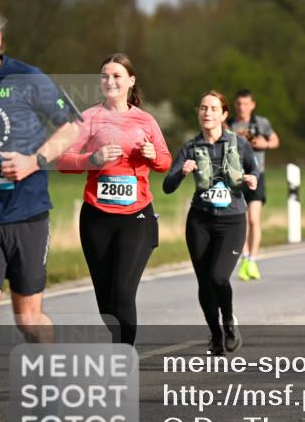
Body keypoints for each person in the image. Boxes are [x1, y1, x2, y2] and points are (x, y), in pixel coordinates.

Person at [0, 0, 80, 422]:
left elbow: (73, 125)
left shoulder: (25, 78)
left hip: (28, 214)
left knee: (28, 320)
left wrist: (35, 160)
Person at [57, 54, 172, 345]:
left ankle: (123, 356)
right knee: (106, 299)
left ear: (131, 81)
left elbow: (165, 161)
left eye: (117, 76)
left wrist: (152, 156)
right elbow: (63, 161)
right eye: (105, 76)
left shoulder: (145, 120)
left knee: (122, 291)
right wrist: (91, 158)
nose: (110, 81)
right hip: (96, 216)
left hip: (136, 216)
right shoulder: (89, 118)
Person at [163, 91, 258, 356]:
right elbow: (167, 186)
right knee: (204, 283)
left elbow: (254, 170)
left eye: (214, 108)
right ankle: (215, 335)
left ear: (224, 115)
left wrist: (252, 180)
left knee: (218, 277)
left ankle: (228, 322)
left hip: (232, 221)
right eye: (203, 108)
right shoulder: (190, 147)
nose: (207, 113)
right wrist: (182, 172)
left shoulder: (239, 144)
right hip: (200, 221)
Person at [230, 89, 279, 282]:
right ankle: (244, 258)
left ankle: (252, 259)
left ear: (252, 104)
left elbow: (275, 140)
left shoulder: (261, 123)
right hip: (236, 178)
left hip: (257, 175)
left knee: (253, 219)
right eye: (239, 104)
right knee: (241, 220)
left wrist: (264, 144)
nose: (242, 107)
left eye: (245, 104)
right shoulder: (231, 124)